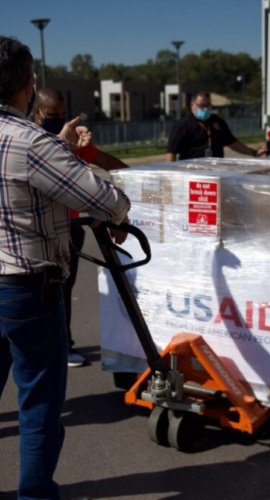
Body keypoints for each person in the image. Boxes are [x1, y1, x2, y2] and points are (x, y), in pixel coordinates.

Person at [0, 36, 131, 500]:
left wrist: (56, 146)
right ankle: (35, 495)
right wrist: (120, 209)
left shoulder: (34, 144)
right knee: (37, 401)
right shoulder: (31, 143)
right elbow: (104, 199)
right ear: (29, 86)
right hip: (26, 290)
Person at [34, 88, 130, 367]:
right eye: (52, 115)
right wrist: (117, 211)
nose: (58, 120)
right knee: (39, 293)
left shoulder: (73, 142)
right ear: (37, 113)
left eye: (62, 115)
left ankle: (63, 346)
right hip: (41, 227)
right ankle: (48, 348)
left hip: (71, 224)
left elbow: (105, 162)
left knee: (63, 290)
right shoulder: (34, 143)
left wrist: (138, 179)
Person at [166, 90, 267, 161]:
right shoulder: (182, 125)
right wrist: (170, 178)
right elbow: (171, 152)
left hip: (215, 171)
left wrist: (253, 152)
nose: (205, 109)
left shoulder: (217, 122)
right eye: (201, 105)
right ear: (192, 105)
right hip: (192, 174)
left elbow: (232, 143)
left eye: (208, 105)